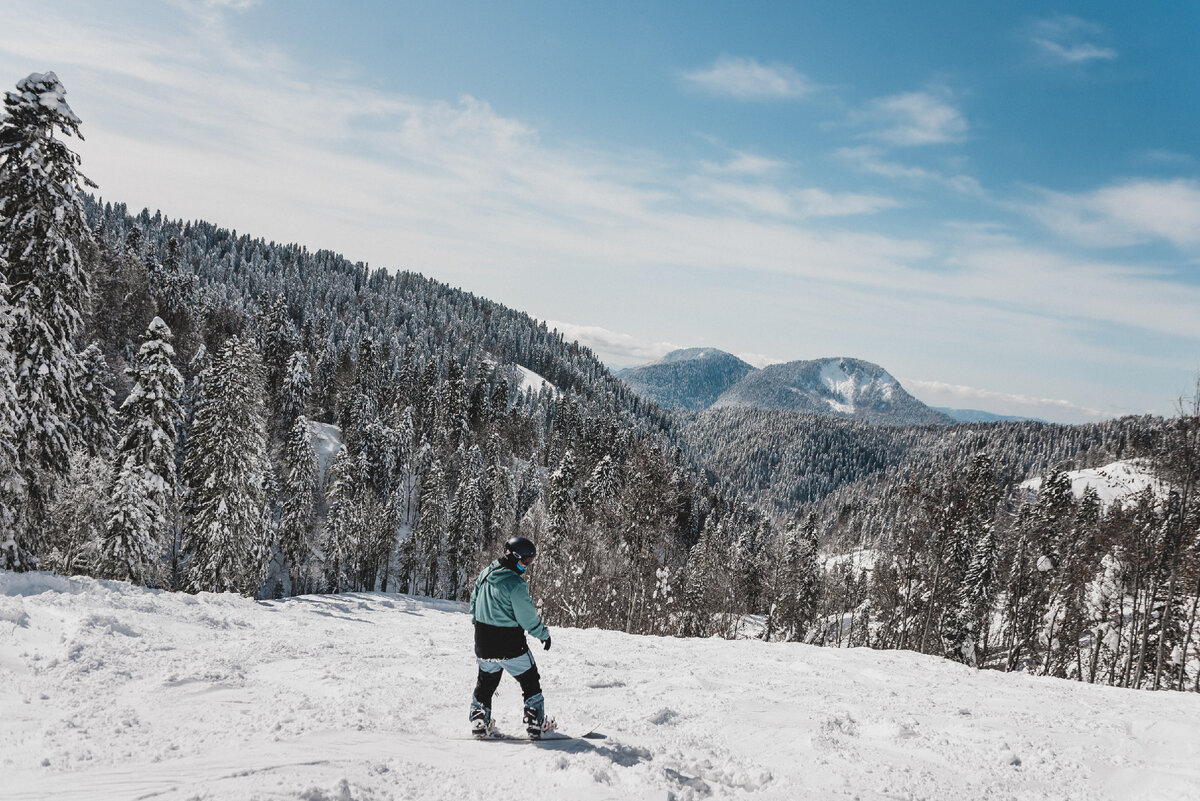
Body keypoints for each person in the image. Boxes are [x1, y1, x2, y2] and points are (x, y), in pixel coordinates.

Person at [468, 536, 554, 738]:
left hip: (483, 642)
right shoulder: (516, 584)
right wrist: (543, 634)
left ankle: (479, 719)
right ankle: (535, 721)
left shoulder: (486, 573)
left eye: (530, 561)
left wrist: (478, 623)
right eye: (526, 561)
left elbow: (474, 601)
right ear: (514, 557)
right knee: (530, 680)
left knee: (486, 682)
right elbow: (527, 616)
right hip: (510, 644)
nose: (527, 566)